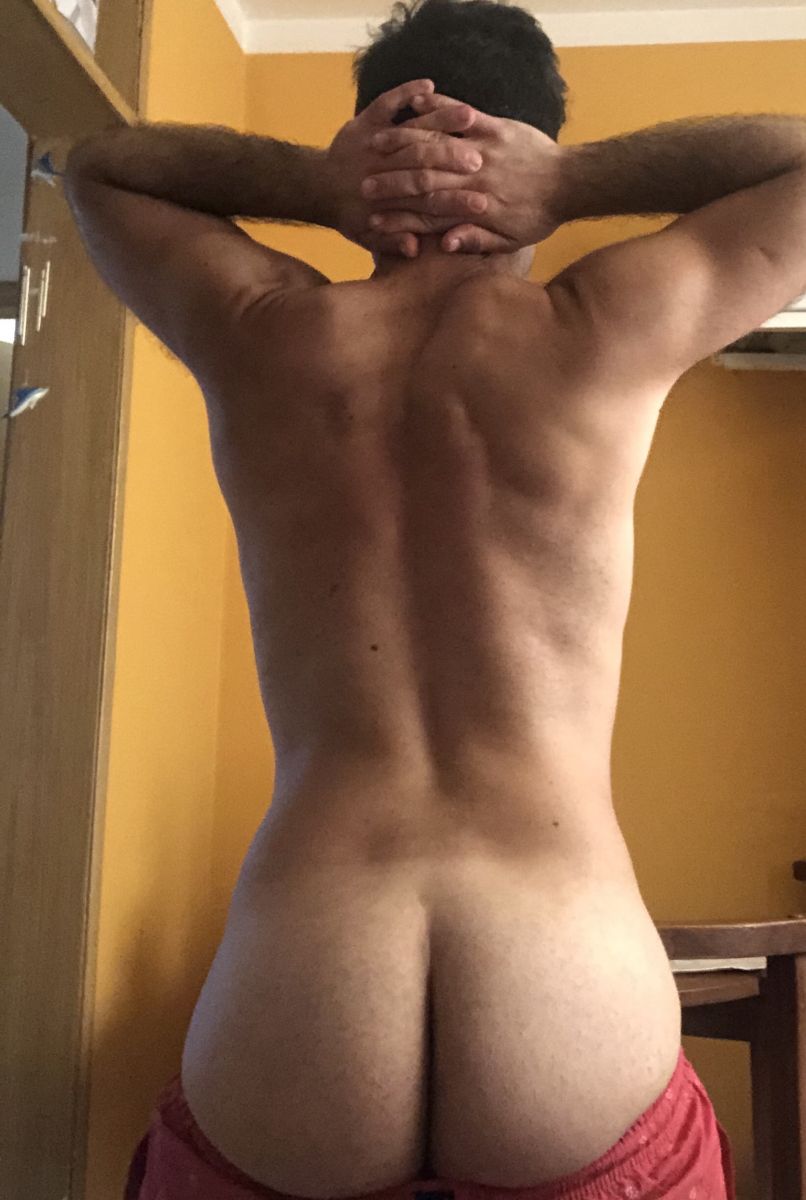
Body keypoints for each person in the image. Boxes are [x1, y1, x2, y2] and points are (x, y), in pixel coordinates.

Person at [64, 2, 806, 1197]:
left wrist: (317, 187)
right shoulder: (601, 325)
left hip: (297, 981)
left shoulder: (266, 330)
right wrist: (574, 182)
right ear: (530, 143)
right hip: (566, 978)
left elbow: (97, 169)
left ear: (367, 139)